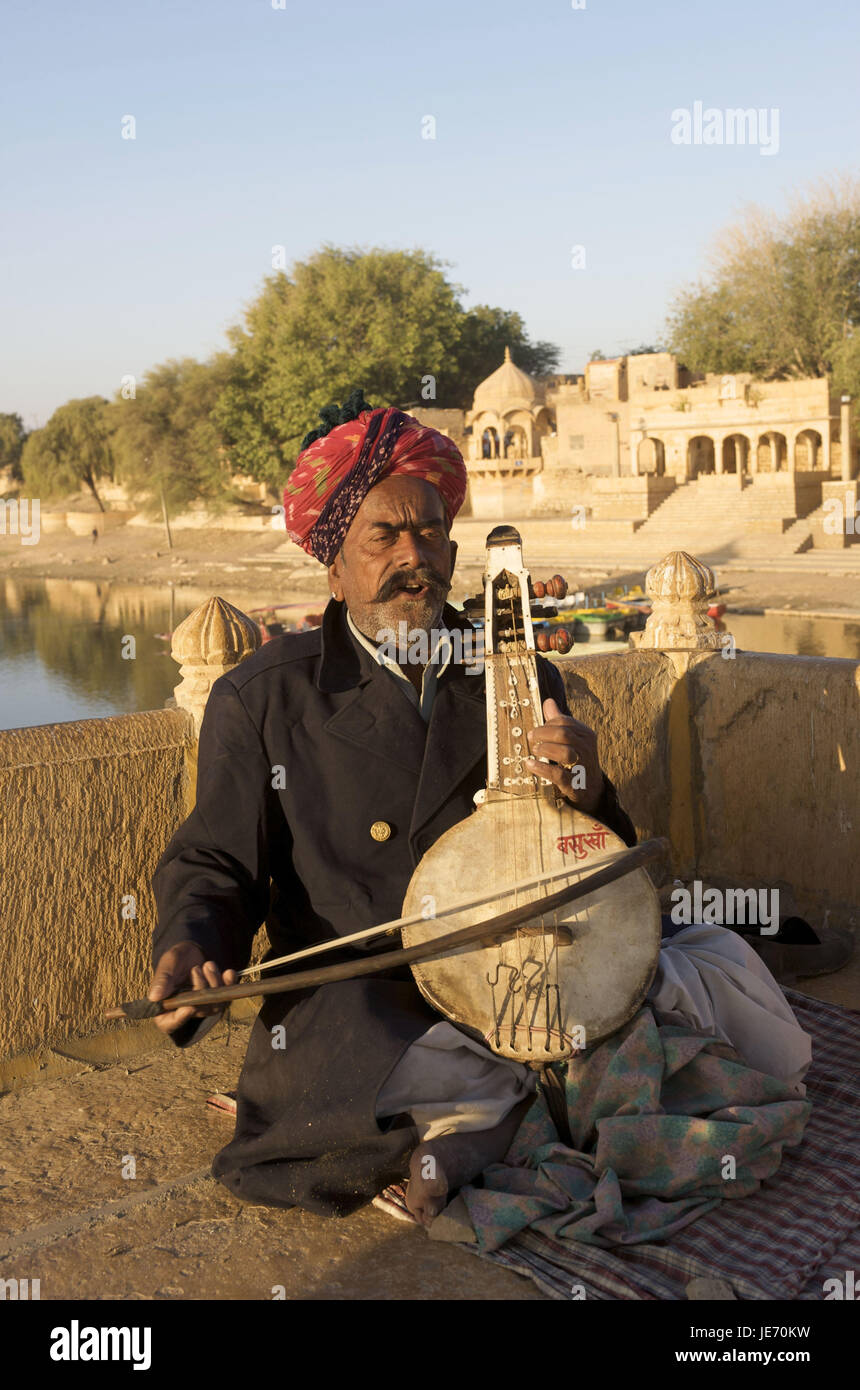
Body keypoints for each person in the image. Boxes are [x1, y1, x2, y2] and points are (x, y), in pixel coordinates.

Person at [148, 391, 811, 1227]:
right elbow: (215, 860)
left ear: (454, 549)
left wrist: (586, 788)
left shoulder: (516, 671)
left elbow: (592, 856)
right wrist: (190, 941)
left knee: (689, 979)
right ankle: (495, 1123)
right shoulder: (266, 697)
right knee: (359, 1051)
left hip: (518, 953)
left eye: (428, 532)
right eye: (381, 536)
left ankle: (483, 1130)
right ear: (335, 565)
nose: (410, 555)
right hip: (375, 978)